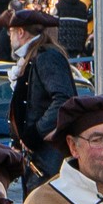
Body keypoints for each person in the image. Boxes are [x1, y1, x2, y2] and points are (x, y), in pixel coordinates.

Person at [4, 10, 77, 181]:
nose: (9, 37)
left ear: (21, 32)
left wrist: (35, 134)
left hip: (49, 156)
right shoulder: (34, 56)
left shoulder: (46, 57)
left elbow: (63, 99)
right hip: (39, 155)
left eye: (11, 32)